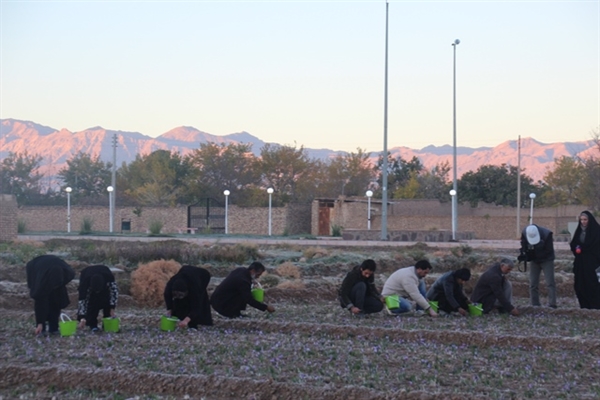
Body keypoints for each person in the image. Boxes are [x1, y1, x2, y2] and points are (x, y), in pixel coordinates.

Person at [26, 255, 76, 335]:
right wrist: (40, 323)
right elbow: (39, 303)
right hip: (35, 267)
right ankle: (41, 328)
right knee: (43, 301)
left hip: (53, 269)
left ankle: (53, 328)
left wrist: (59, 285)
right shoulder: (41, 284)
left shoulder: (68, 272)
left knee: (56, 300)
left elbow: (70, 276)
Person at [211, 262, 275, 318]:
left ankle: (235, 313)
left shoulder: (241, 270)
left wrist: (250, 282)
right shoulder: (243, 281)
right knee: (243, 295)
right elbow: (249, 300)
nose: (258, 277)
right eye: (258, 275)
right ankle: (232, 314)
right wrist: (266, 307)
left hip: (216, 299)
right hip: (221, 304)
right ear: (252, 271)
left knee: (240, 293)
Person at [518, 224, 557, 308]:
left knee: (550, 282)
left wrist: (538, 251)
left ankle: (552, 304)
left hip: (547, 260)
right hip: (534, 260)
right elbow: (523, 245)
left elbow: (549, 251)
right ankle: (534, 304)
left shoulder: (547, 235)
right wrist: (525, 254)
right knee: (533, 283)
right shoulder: (525, 233)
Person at [569, 211, 600, 309]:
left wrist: (586, 249)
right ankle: (584, 306)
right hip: (580, 263)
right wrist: (577, 248)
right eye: (581, 220)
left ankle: (595, 306)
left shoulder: (596, 231)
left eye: (585, 220)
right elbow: (574, 243)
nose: (583, 222)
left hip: (592, 263)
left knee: (592, 284)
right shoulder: (579, 231)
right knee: (580, 284)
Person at [77, 265, 119, 331]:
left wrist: (112, 307)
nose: (97, 292)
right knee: (92, 306)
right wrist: (82, 317)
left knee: (107, 303)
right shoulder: (85, 284)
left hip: (105, 291)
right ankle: (92, 325)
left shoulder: (108, 277)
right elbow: (82, 300)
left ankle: (107, 325)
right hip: (90, 289)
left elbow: (114, 292)